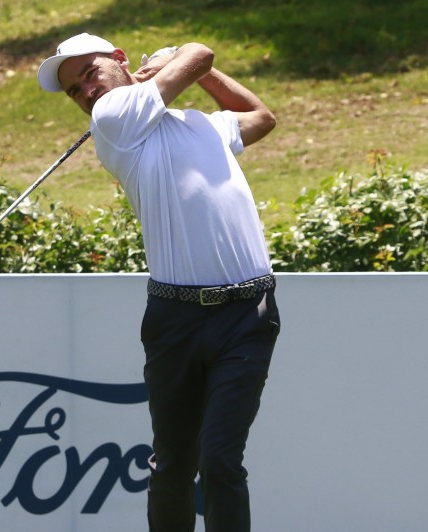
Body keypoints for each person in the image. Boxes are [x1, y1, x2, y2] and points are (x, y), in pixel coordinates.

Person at [37, 32, 281, 532]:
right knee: (173, 464)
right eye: (74, 90)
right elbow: (199, 53)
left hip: (247, 315)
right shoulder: (112, 119)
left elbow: (260, 117)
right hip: (176, 320)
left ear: (120, 61)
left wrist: (190, 70)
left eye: (90, 73)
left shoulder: (198, 125)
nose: (86, 91)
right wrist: (174, 58)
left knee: (220, 459)